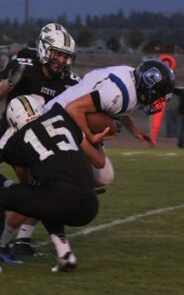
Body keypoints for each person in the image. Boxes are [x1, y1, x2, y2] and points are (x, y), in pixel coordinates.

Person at [0, 23, 81, 261]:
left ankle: (18, 241)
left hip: (36, 145)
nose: (61, 61)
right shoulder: (25, 62)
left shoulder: (71, 82)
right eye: (57, 54)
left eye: (66, 57)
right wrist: (9, 83)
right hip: (8, 134)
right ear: (44, 50)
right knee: (36, 192)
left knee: (42, 190)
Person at [0, 95, 106, 271]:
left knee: (45, 197)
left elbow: (25, 182)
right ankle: (65, 255)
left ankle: (1, 245)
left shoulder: (17, 141)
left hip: (57, 198)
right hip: (90, 204)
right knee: (46, 197)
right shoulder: (62, 117)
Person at [44, 59, 175, 145]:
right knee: (110, 130)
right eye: (157, 95)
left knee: (103, 172)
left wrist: (135, 131)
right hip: (54, 117)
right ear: (146, 86)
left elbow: (123, 109)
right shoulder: (119, 93)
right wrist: (90, 136)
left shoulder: (132, 80)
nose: (156, 100)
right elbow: (74, 108)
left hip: (69, 113)